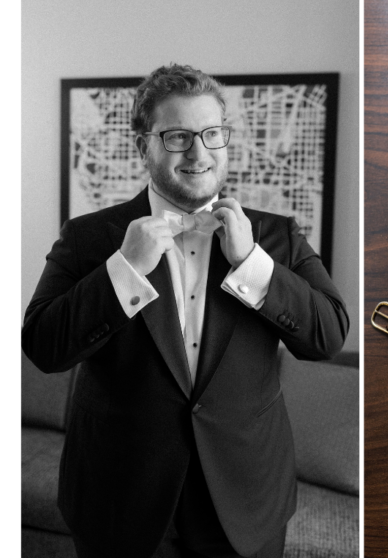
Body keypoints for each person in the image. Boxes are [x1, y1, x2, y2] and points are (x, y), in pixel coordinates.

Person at [22, 64, 349, 558]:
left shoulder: (277, 235)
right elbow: (44, 347)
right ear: (143, 146)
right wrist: (124, 269)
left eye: (212, 134)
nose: (199, 153)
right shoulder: (88, 238)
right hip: (118, 498)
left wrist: (252, 263)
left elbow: (328, 336)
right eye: (177, 136)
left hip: (246, 498)